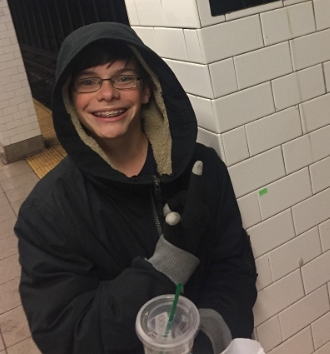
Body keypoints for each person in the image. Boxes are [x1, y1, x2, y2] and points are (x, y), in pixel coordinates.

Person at [15, 22, 257, 354]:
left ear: (147, 90)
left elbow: (234, 265)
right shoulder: (48, 212)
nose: (107, 94)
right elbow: (67, 335)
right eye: (87, 81)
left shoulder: (202, 168)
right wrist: (164, 267)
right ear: (70, 98)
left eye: (124, 78)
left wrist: (208, 334)